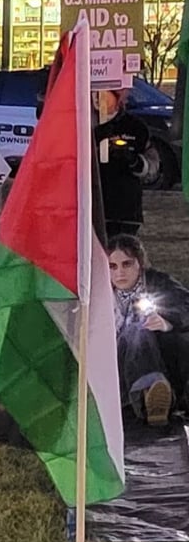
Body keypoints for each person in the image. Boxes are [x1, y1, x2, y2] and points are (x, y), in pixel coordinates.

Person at [108, 234, 189, 427]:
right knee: (135, 331)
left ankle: (153, 393)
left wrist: (167, 321)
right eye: (113, 266)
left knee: (140, 329)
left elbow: (185, 306)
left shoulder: (158, 283)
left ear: (140, 263)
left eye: (127, 264)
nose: (120, 273)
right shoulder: (100, 292)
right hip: (114, 366)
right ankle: (148, 396)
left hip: (163, 360)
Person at [94, 89, 155, 238]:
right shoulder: (81, 124)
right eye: (95, 94)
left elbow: (152, 168)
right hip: (92, 209)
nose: (99, 99)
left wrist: (133, 160)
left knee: (123, 249)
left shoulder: (136, 127)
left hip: (127, 212)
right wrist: (95, 141)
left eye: (106, 94)